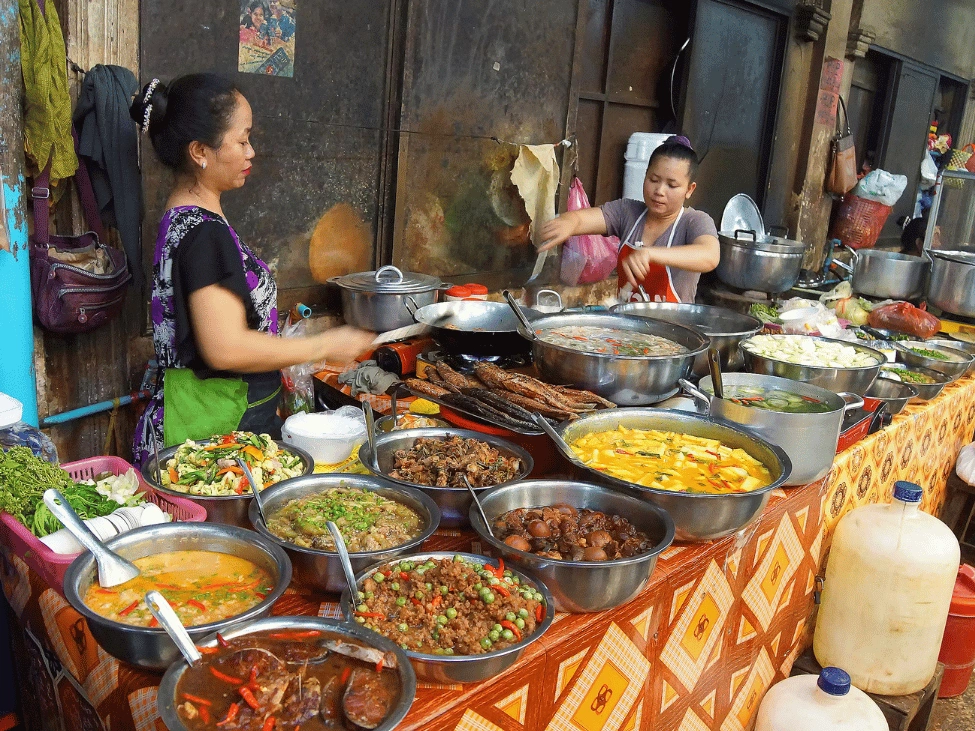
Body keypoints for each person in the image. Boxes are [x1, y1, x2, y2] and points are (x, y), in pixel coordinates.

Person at [129, 74, 374, 466]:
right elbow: (224, 347)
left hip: (205, 419)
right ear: (199, 151)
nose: (251, 152)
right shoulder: (205, 233)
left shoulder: (181, 216)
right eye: (242, 140)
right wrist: (326, 345)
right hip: (212, 437)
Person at [539, 135, 720, 303]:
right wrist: (568, 223)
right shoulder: (627, 211)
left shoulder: (694, 221)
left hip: (672, 332)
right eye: (654, 179)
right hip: (627, 327)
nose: (659, 191)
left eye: (672, 185)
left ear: (689, 189)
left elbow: (710, 256)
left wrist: (651, 254)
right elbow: (581, 219)